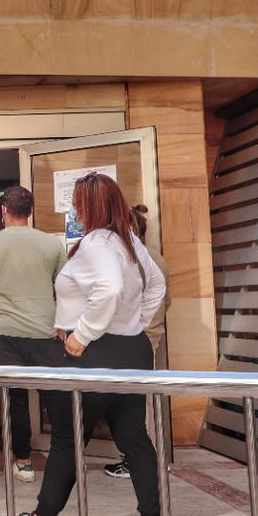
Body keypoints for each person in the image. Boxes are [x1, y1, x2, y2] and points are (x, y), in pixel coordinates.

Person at [0, 173, 178, 516]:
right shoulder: (129, 241)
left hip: (92, 353)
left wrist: (85, 334)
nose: (74, 209)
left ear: (88, 205)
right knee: (135, 440)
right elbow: (157, 286)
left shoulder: (95, 244)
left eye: (77, 202)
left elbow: (107, 290)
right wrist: (134, 325)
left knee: (67, 438)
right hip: (132, 351)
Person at [0, 186, 68, 483]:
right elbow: (68, 289)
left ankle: (23, 462)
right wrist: (62, 325)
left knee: (15, 400)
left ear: (4, 211)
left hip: (2, 333)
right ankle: (65, 459)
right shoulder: (52, 245)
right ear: (31, 212)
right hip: (44, 332)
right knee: (55, 399)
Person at [104, 203, 171, 479]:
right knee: (141, 399)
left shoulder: (132, 260)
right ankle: (147, 457)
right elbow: (167, 300)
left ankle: (141, 459)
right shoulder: (159, 258)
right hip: (151, 332)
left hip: (133, 336)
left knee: (134, 402)